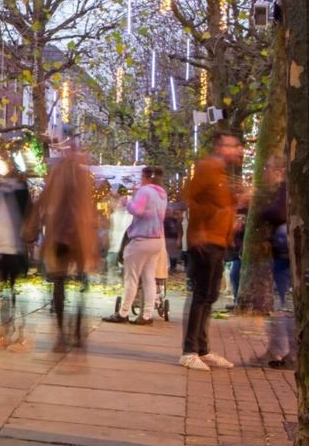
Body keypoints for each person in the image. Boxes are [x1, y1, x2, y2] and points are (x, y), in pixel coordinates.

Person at [180, 130, 244, 371]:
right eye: (232, 146)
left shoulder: (221, 174)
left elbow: (218, 204)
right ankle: (189, 351)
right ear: (220, 147)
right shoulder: (207, 168)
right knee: (201, 295)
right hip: (206, 242)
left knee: (209, 297)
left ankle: (202, 348)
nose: (237, 150)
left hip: (218, 241)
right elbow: (192, 199)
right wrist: (199, 232)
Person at [24, 147, 98, 352]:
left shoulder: (56, 177)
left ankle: (61, 334)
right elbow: (88, 212)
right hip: (78, 240)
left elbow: (41, 203)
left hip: (59, 239)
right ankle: (76, 331)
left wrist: (32, 226)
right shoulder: (83, 180)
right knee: (81, 284)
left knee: (58, 283)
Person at [103, 166, 167, 325]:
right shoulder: (162, 193)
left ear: (146, 178)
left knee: (131, 278)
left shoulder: (145, 191)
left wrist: (127, 202)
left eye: (141, 177)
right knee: (149, 278)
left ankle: (123, 313)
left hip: (140, 240)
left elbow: (137, 210)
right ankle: (146, 315)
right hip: (156, 240)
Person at [0, 168, 33, 350]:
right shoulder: (2, 197)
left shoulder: (19, 193)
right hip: (2, 251)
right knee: (6, 293)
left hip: (16, 251)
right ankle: (4, 332)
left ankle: (21, 333)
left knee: (16, 294)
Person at [259, 157, 293, 369]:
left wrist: (260, 210)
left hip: (284, 255)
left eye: (268, 167)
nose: (266, 172)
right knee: (285, 304)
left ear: (279, 170)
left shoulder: (285, 188)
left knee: (282, 305)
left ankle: (281, 352)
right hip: (285, 254)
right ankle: (285, 351)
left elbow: (278, 212)